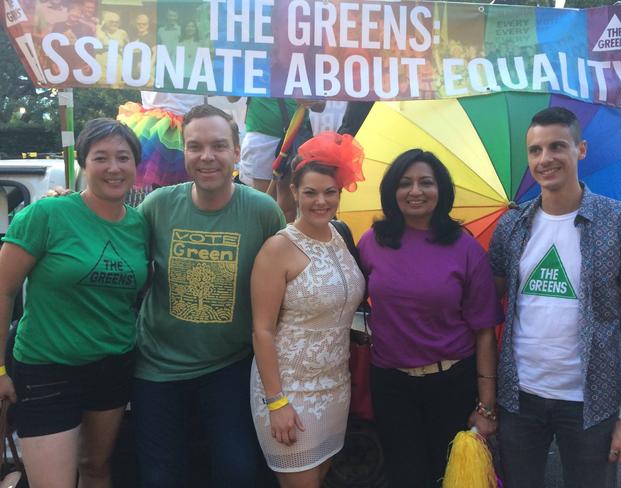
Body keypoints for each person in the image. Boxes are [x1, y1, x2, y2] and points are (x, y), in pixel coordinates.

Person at [489, 106, 621, 488]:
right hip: (519, 397)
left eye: (557, 146)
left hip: (591, 401)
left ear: (581, 149)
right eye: (535, 151)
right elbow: (486, 303)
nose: (545, 159)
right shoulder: (511, 226)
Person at [132, 104, 285, 488]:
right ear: (182, 152)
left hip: (229, 365)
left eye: (218, 146)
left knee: (238, 471)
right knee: (160, 477)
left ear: (237, 151)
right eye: (195, 146)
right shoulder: (157, 206)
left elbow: (288, 282)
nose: (207, 157)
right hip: (157, 366)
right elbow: (119, 252)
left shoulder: (263, 211)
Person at [0, 118, 149, 488]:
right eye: (101, 158)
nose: (113, 168)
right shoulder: (47, 215)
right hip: (46, 369)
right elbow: (3, 290)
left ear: (135, 165)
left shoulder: (140, 225)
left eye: (123, 157)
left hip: (112, 367)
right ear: (84, 164)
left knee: (96, 468)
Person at [357, 149, 502, 487]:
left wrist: (486, 406)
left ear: (441, 190)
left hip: (451, 383)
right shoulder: (371, 241)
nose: (415, 191)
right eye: (405, 183)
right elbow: (351, 297)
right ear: (392, 191)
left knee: (449, 476)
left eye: (426, 182)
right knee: (403, 475)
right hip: (391, 384)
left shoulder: (464, 248)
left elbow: (484, 330)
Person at [250, 132, 366, 488]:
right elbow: (262, 330)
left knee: (321, 475)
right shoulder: (278, 248)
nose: (321, 201)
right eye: (310, 192)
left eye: (330, 192)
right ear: (295, 192)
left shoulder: (340, 237)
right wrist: (277, 402)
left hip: (335, 385)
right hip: (288, 390)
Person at [227, 97, 326, 222]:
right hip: (261, 136)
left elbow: (320, 105)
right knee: (264, 204)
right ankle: (266, 239)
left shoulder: (308, 75)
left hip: (295, 137)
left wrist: (313, 100)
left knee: (288, 207)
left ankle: (283, 240)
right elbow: (232, 97)